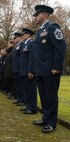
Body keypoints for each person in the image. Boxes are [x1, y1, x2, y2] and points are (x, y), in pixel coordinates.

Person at [32, 5, 66, 133]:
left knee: (51, 97)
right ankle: (46, 118)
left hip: (51, 70)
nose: (35, 17)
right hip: (41, 70)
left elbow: (61, 48)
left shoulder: (52, 27)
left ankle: (52, 123)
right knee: (44, 96)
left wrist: (57, 67)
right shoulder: (40, 31)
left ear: (45, 14)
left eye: (37, 14)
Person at [19, 28, 37, 114]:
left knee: (31, 90)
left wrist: (31, 70)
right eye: (22, 35)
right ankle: (28, 106)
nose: (22, 36)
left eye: (24, 34)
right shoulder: (24, 44)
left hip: (29, 71)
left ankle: (33, 108)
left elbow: (32, 58)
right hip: (23, 71)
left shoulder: (31, 43)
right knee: (26, 89)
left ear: (29, 35)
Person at [12, 32, 25, 106]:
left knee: (21, 86)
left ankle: (22, 100)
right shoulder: (17, 45)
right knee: (18, 85)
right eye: (14, 38)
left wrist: (20, 66)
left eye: (15, 38)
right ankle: (19, 99)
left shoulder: (22, 44)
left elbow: (22, 57)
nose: (14, 39)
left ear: (20, 37)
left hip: (20, 68)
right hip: (16, 68)